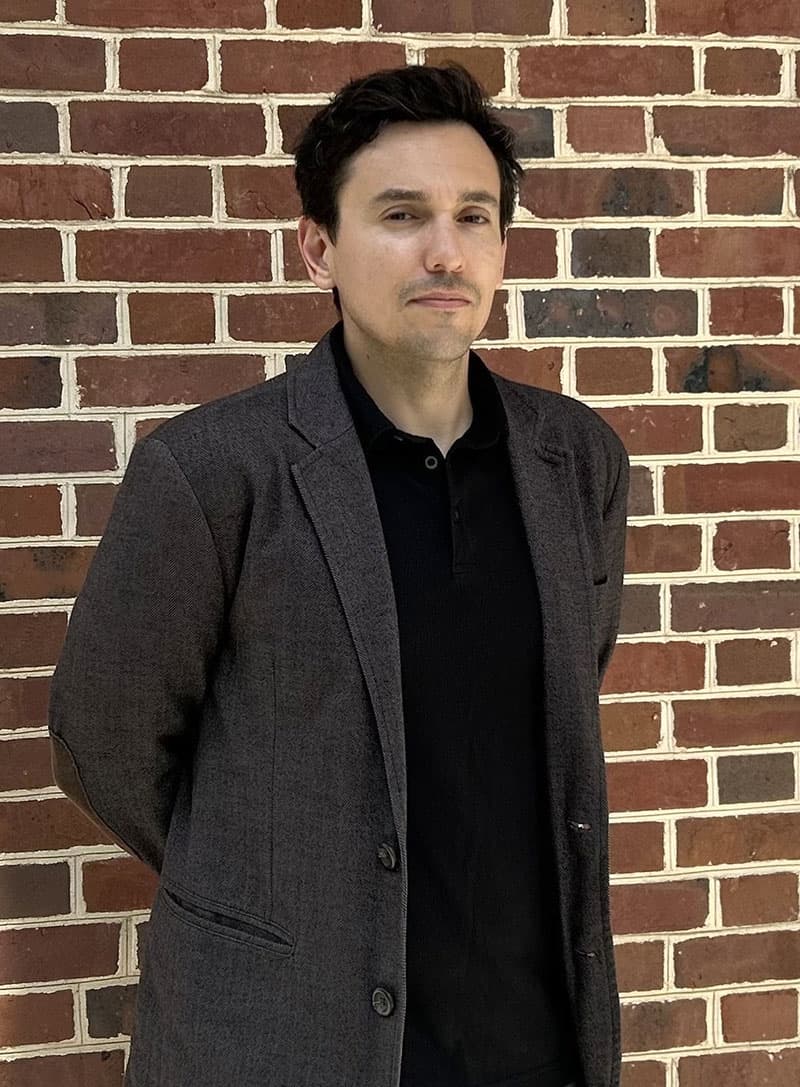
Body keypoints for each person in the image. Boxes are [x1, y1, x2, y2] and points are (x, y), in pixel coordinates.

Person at [48, 64, 629, 1087]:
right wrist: (270, 869)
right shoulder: (214, 472)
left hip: (528, 1035)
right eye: (399, 214)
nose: (443, 250)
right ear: (318, 243)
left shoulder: (574, 461)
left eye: (473, 216)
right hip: (287, 1035)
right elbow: (104, 741)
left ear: (501, 243)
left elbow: (565, 688)